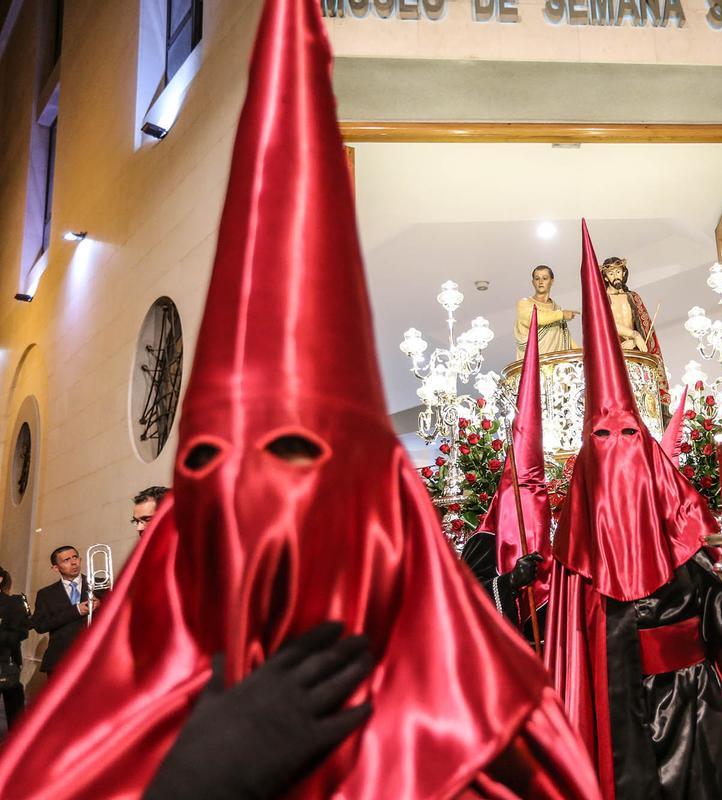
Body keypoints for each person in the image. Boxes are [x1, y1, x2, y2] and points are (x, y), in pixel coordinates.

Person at [0, 2, 601, 797]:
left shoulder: (493, 726)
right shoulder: (100, 716)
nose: (253, 487)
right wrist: (191, 780)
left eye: (293, 449)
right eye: (208, 455)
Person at [546, 221, 722, 799]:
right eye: (603, 435)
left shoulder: (680, 525)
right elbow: (574, 655)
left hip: (694, 703)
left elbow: (707, 602)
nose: (618, 446)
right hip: (620, 717)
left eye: (629, 432)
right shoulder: (575, 556)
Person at [465, 307, 551, 641]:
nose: (534, 496)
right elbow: (465, 603)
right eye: (525, 488)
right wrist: (510, 583)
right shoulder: (483, 542)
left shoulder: (559, 534)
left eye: (539, 488)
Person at [30, 546, 97, 676]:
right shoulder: (46, 594)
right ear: (55, 568)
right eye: (66, 560)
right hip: (60, 660)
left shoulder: (100, 584)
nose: (73, 562)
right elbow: (40, 626)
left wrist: (103, 605)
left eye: (75, 557)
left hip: (96, 658)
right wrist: (76, 610)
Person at [514, 264, 577, 357]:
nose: (540, 282)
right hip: (533, 364)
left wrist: (583, 352)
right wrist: (562, 315)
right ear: (533, 282)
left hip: (556, 365)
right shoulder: (524, 303)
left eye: (544, 278)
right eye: (537, 278)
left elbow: (566, 337)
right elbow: (536, 318)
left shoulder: (556, 308)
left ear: (552, 281)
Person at [0, 567, 31, 729]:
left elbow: (21, 633)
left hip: (6, 664)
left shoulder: (13, 603)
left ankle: (17, 748)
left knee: (16, 718)